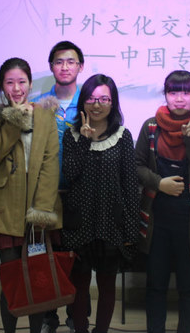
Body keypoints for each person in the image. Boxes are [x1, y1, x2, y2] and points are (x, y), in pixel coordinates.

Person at [0, 57, 62, 333]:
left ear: (30, 84)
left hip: (38, 209)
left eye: (22, 82)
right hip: (5, 209)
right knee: (12, 280)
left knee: (37, 280)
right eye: (9, 82)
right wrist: (14, 122)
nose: (16, 88)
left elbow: (51, 162)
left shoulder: (45, 115)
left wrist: (42, 210)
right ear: (2, 86)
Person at [135, 70, 190, 333]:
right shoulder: (151, 127)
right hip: (157, 217)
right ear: (165, 94)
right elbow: (136, 166)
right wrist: (159, 183)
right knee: (155, 284)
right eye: (173, 92)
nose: (179, 98)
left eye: (186, 92)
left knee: (189, 285)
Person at [61, 74, 140, 333]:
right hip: (79, 224)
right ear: (83, 101)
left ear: (112, 102)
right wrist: (84, 140)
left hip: (111, 225)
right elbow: (70, 173)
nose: (97, 105)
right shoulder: (72, 135)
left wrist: (130, 230)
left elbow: (130, 186)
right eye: (92, 99)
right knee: (79, 286)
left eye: (104, 99)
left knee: (107, 287)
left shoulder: (122, 136)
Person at [32, 41, 85, 333]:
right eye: (59, 61)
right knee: (47, 259)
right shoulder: (40, 104)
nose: (65, 67)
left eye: (71, 61)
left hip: (80, 193)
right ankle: (48, 317)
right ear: (51, 66)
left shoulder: (90, 101)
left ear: (80, 66)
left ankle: (77, 316)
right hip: (47, 194)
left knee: (78, 262)